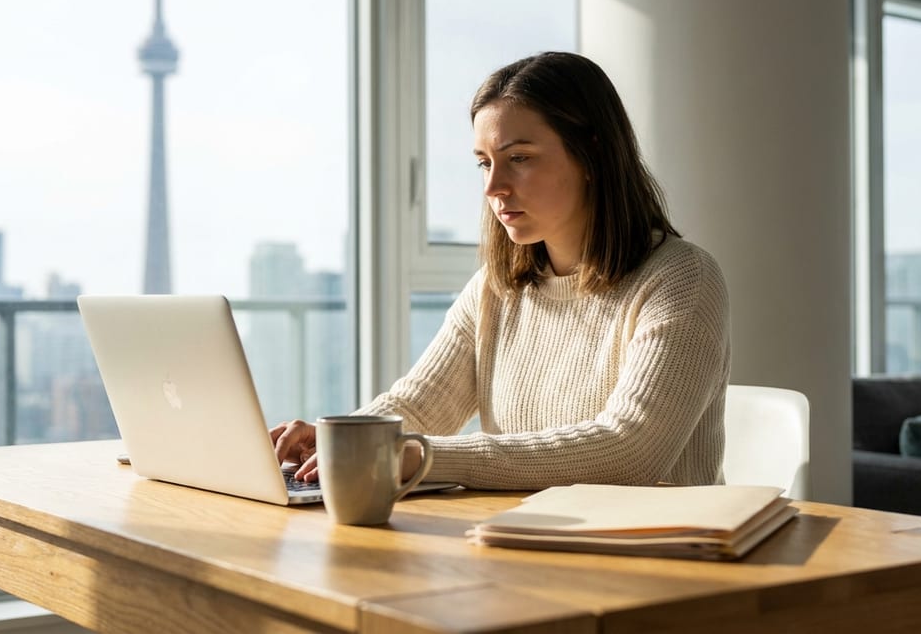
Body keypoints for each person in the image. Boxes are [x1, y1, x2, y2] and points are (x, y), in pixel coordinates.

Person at [271, 51, 730, 490]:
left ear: (592, 153)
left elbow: (630, 450)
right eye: (484, 163)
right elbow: (420, 405)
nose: (494, 187)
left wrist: (424, 457)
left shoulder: (682, 279)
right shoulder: (497, 288)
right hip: (523, 544)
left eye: (519, 158)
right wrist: (342, 440)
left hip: (656, 557)